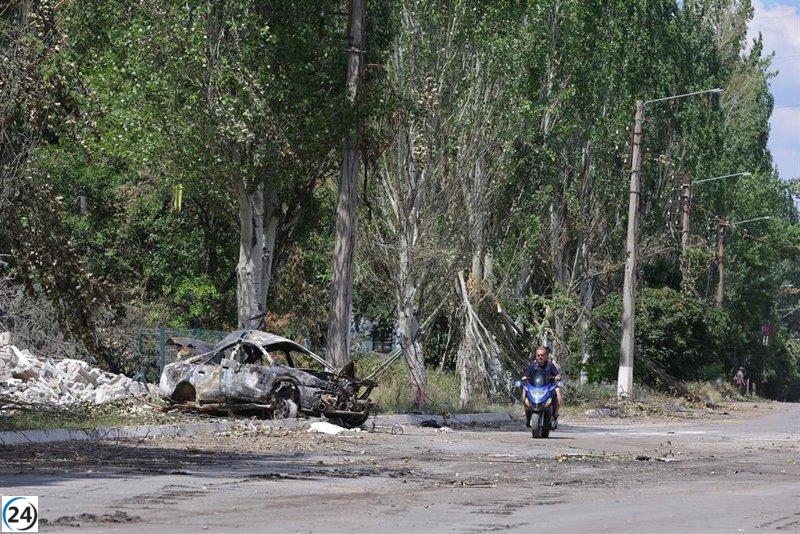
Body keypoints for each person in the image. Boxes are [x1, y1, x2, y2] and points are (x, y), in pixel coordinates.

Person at [521, 346, 563, 428]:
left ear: (546, 356)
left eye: (542, 355)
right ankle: (527, 413)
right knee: (524, 391)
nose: (540, 357)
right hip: (535, 388)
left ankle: (556, 412)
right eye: (538, 355)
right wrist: (524, 379)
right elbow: (526, 376)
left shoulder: (550, 365)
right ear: (536, 356)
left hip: (548, 387)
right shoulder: (532, 366)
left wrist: (557, 377)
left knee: (558, 392)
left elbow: (558, 375)